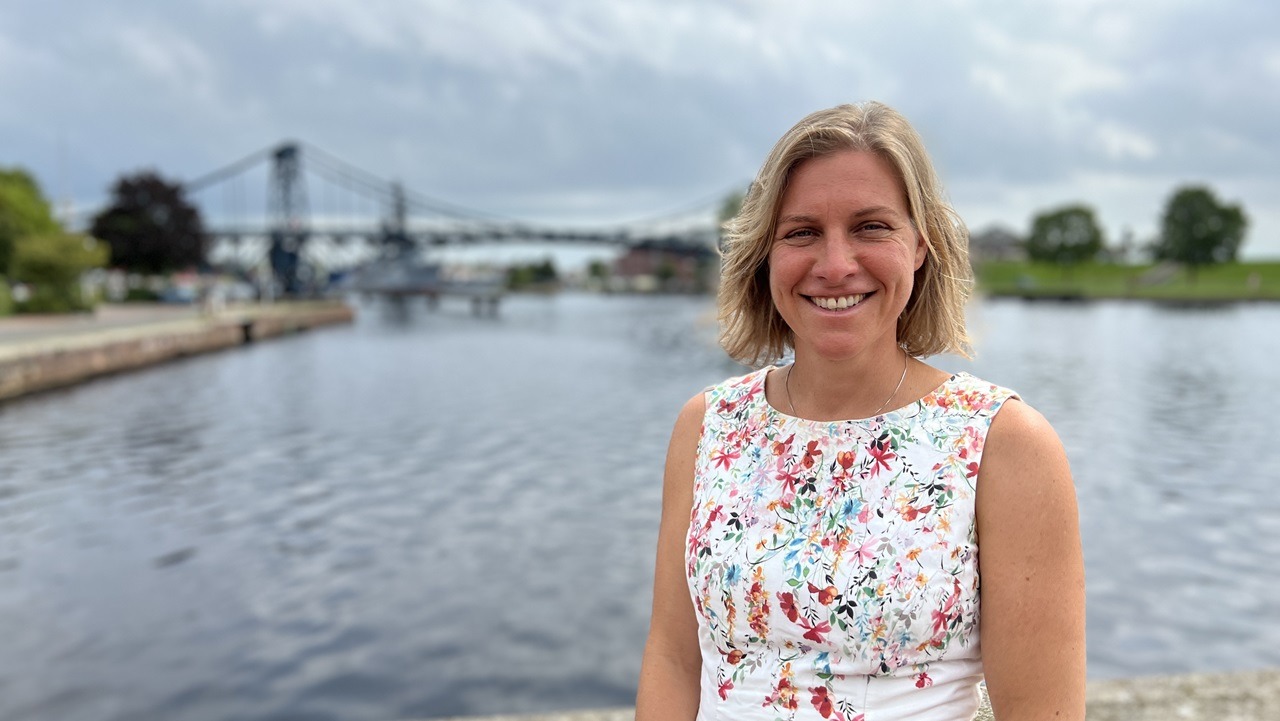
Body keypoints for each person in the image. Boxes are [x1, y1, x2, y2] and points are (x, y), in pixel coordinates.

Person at [636, 102, 1084, 720]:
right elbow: (674, 659)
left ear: (921, 246)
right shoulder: (707, 426)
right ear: (765, 254)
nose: (836, 264)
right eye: (801, 232)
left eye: (871, 227)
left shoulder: (1003, 443)